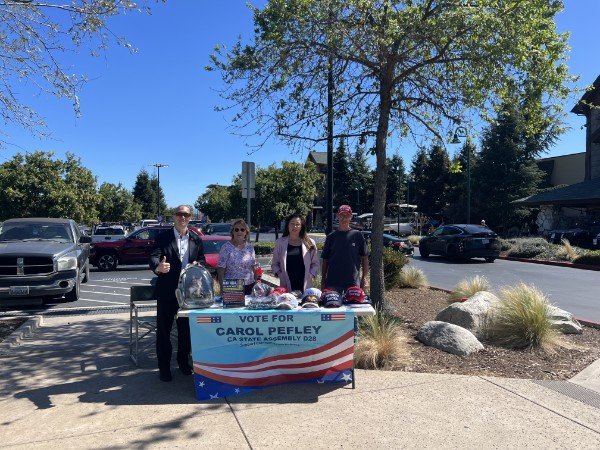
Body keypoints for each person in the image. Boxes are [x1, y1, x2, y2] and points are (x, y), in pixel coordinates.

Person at [149, 205, 205, 382]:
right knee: (164, 332)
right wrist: (158, 267)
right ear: (174, 216)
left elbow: (202, 259)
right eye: (179, 214)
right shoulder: (163, 238)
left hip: (189, 293)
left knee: (186, 330)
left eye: (186, 214)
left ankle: (183, 363)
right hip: (167, 291)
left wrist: (199, 266)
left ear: (190, 217)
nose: (182, 217)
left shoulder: (196, 239)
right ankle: (164, 368)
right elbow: (154, 256)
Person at [320, 204, 369, 293]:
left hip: (352, 283)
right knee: (332, 306)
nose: (343, 218)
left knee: (353, 306)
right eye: (341, 216)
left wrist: (364, 278)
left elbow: (365, 258)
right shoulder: (331, 237)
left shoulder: (357, 235)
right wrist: (323, 280)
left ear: (350, 217)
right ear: (337, 216)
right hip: (332, 283)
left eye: (346, 216)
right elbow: (325, 260)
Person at [271, 214, 319, 292]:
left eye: (297, 224)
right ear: (288, 225)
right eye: (292, 223)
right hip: (286, 284)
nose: (295, 226)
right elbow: (275, 264)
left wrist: (310, 275)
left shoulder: (310, 243)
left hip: (305, 285)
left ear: (301, 226)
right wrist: (280, 274)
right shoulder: (280, 243)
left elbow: (315, 264)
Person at [217, 219, 258, 295]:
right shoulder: (226, 247)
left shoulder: (250, 248)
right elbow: (220, 270)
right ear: (233, 232)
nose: (239, 232)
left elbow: (254, 267)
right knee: (235, 307)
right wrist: (222, 289)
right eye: (236, 230)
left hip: (249, 285)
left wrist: (257, 283)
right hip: (232, 286)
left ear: (246, 232)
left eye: (242, 229)